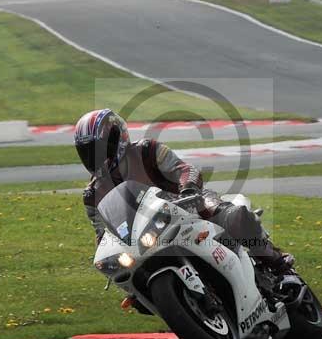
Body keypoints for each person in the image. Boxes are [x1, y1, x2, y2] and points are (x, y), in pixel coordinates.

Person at [74, 109, 294, 286]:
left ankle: (277, 263)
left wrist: (188, 190)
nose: (96, 157)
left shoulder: (146, 151)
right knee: (135, 290)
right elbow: (103, 235)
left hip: (188, 206)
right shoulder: (92, 194)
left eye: (101, 148)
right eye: (88, 152)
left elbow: (185, 170)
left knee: (234, 216)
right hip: (147, 239)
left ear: (118, 138)